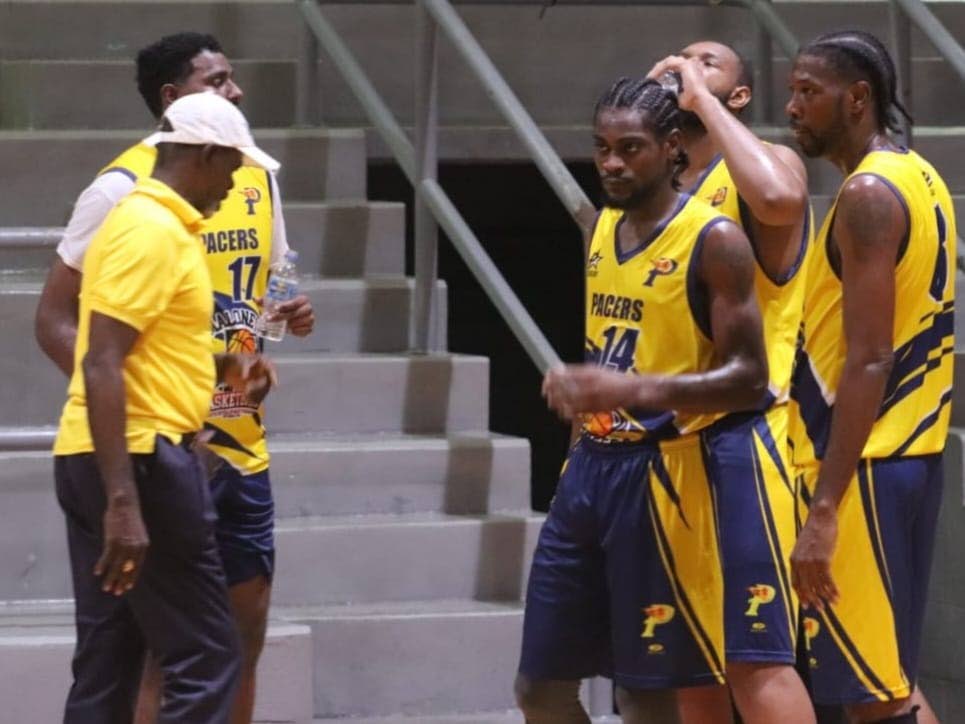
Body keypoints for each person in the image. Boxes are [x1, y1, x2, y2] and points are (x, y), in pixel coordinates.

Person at [34, 33, 314, 723]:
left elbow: (185, 330)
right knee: (198, 655)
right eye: (218, 81)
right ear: (191, 128)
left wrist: (229, 364)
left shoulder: (204, 204)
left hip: (202, 438)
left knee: (133, 653)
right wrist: (129, 469)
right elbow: (90, 345)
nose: (237, 91)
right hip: (145, 448)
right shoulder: (135, 208)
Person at [515, 76, 768, 724]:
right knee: (538, 690)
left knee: (647, 696)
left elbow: (748, 380)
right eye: (601, 148)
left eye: (630, 147)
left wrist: (631, 389)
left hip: (666, 478)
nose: (612, 163)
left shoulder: (714, 240)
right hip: (589, 474)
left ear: (671, 147)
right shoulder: (601, 230)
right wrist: (580, 412)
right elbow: (609, 354)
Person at [786, 29, 954, 724]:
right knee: (888, 684)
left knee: (874, 704)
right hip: (901, 456)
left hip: (865, 468)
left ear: (857, 98)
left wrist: (824, 507)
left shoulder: (868, 195)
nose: (791, 106)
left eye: (807, 92)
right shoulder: (918, 174)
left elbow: (868, 357)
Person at [646, 42, 815, 724]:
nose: (681, 60)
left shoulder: (769, 164)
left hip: (749, 439)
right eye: (676, 57)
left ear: (736, 96)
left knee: (755, 659)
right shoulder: (658, 195)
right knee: (692, 662)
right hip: (670, 448)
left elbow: (778, 201)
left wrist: (698, 96)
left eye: (704, 58)